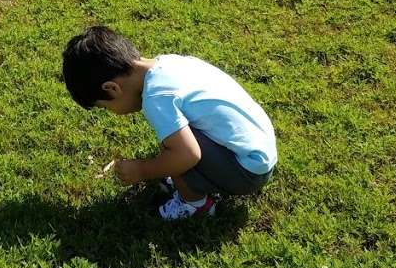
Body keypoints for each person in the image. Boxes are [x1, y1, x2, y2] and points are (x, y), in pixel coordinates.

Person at [62, 25, 277, 220]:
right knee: (176, 140)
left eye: (105, 107)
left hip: (247, 172)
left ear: (112, 88)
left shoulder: (156, 97)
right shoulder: (168, 63)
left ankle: (195, 204)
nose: (112, 112)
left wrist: (141, 169)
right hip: (261, 148)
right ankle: (196, 178)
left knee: (174, 150)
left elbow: (187, 155)